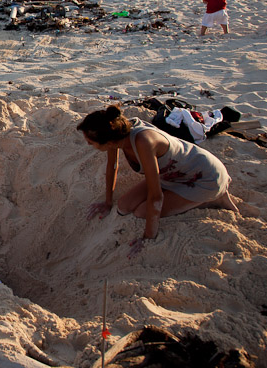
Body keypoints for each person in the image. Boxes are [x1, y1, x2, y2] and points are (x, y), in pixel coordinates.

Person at [77, 105, 239, 258]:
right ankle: (190, 195)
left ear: (109, 141)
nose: (88, 144)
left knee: (141, 212)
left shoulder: (143, 142)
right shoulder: (116, 133)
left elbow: (156, 197)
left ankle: (215, 197)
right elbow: (112, 166)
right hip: (172, 174)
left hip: (204, 177)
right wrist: (107, 202)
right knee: (124, 206)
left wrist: (148, 237)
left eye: (91, 142)